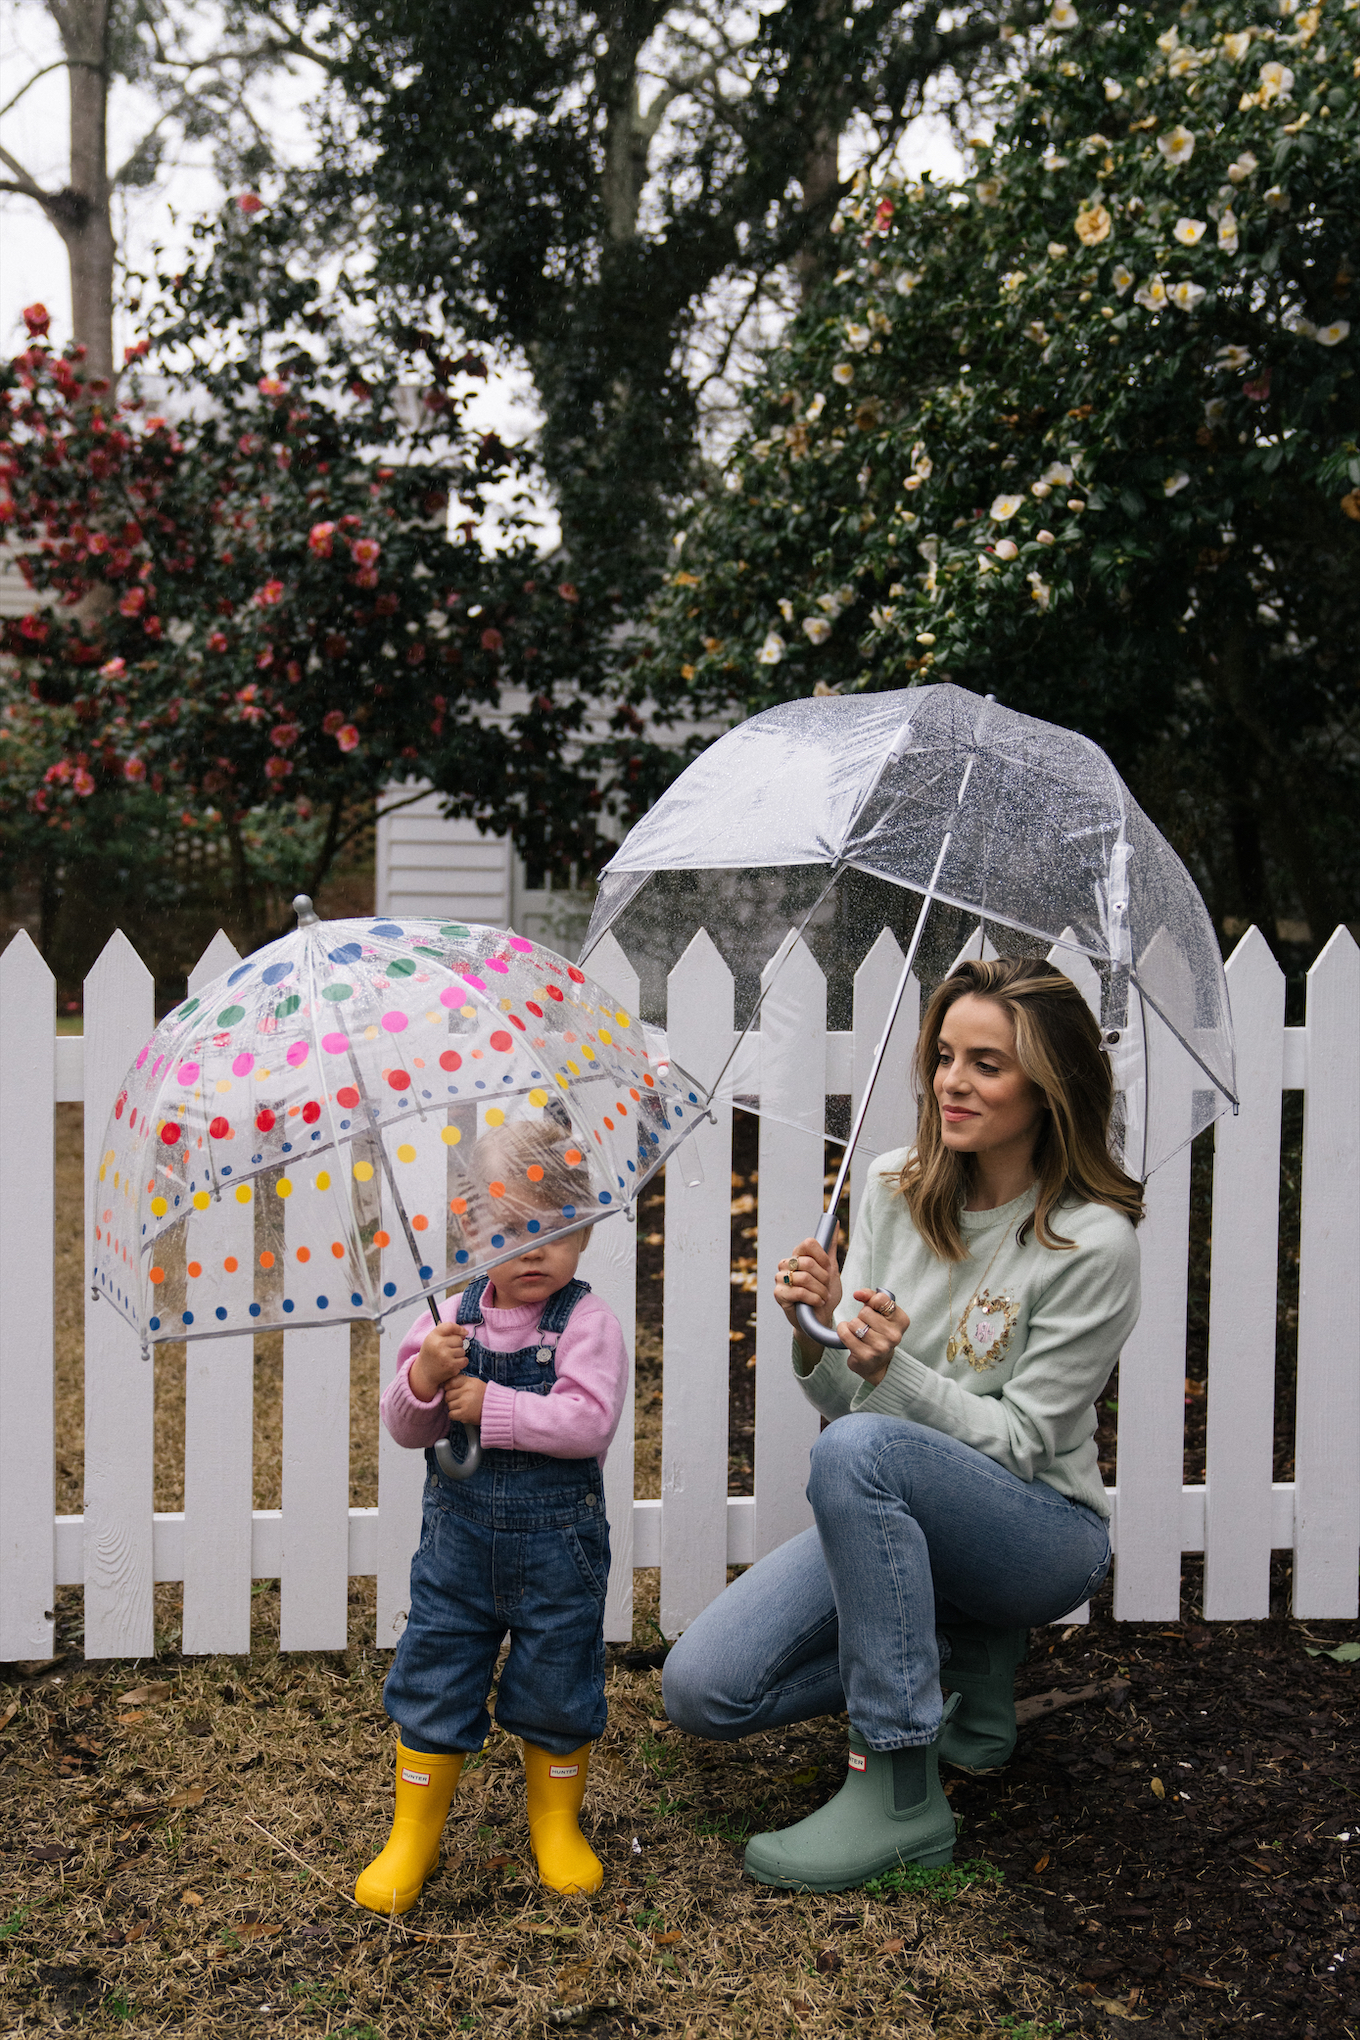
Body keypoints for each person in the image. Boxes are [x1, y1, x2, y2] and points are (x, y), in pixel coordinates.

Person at [662, 956, 1143, 1893]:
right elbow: (848, 1407)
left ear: (1050, 1086)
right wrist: (820, 1331)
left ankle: (898, 1783)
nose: (952, 1083)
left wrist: (896, 1371)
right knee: (705, 1689)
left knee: (863, 1450)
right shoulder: (891, 1184)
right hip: (899, 1492)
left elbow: (1018, 1445)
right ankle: (959, 1659)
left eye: (988, 1064)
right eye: (944, 1056)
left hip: (1038, 1533)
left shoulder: (1092, 1243)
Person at [355, 1122, 628, 1913]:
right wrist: (425, 1378)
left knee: (557, 1681)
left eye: (552, 1229)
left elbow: (588, 1423)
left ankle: (556, 1824)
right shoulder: (447, 1320)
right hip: (458, 1549)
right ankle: (413, 1835)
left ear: (581, 1229)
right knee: (435, 1673)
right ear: (469, 1232)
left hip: (557, 1553)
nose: (531, 1249)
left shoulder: (585, 1324)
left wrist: (498, 1407)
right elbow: (407, 1429)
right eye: (507, 1229)